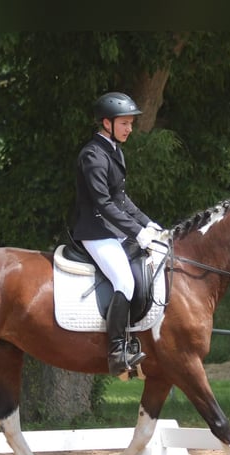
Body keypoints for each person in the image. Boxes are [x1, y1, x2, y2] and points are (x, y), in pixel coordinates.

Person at [72, 91, 162, 375]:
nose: (130, 128)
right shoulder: (92, 155)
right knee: (124, 280)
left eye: (131, 123)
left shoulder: (113, 150)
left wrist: (148, 224)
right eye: (124, 123)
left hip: (113, 230)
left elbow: (122, 200)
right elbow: (104, 203)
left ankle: (136, 338)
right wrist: (136, 232)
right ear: (106, 123)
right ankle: (115, 351)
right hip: (95, 231)